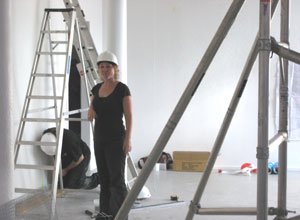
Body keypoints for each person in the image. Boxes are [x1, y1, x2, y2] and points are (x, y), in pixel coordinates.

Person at [88, 51, 132, 219]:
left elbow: (129, 116)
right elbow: (93, 102)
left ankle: (120, 215)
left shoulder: (122, 89)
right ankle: (105, 213)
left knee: (117, 180)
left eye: (108, 67)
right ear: (98, 70)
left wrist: (128, 139)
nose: (104, 70)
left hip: (116, 140)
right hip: (99, 140)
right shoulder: (96, 89)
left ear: (115, 68)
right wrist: (91, 108)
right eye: (101, 67)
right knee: (104, 179)